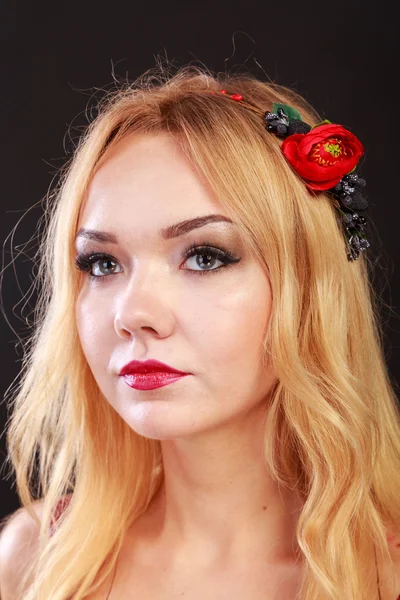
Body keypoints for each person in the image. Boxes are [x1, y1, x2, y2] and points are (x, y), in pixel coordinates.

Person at [0, 63, 399, 600]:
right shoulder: (33, 558)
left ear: (309, 289)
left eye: (206, 257)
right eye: (101, 263)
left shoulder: (382, 577)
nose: (132, 313)